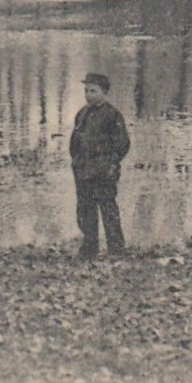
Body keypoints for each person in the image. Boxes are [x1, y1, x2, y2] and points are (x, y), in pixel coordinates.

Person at [69, 71, 129, 259]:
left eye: (93, 91)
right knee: (85, 211)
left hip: (103, 172)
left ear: (104, 92)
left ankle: (116, 250)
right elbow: (75, 142)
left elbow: (122, 144)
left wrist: (111, 164)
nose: (88, 95)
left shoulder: (113, 115)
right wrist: (77, 161)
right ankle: (89, 248)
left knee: (108, 209)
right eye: (86, 91)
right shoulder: (82, 114)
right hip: (84, 170)